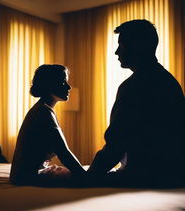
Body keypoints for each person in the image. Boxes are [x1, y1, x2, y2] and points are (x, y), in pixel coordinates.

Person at [87, 19, 185, 187]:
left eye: (121, 44)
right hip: (174, 176)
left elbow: (115, 146)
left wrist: (86, 179)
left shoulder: (133, 87)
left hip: (144, 178)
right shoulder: (169, 82)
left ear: (137, 46)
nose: (117, 52)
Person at [10, 64, 86, 186]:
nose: (68, 87)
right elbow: (64, 153)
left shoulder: (42, 109)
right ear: (50, 84)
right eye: (63, 82)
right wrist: (87, 178)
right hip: (29, 178)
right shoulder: (43, 113)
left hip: (25, 176)